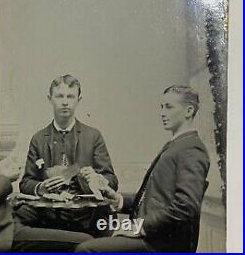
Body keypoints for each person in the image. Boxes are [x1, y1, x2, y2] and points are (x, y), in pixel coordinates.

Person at [75, 85, 210, 252]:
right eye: (161, 107)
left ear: (189, 111)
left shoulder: (191, 149)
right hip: (155, 238)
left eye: (169, 107)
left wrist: (140, 227)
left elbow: (185, 208)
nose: (162, 112)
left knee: (86, 250)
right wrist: (118, 199)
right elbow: (154, 198)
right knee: (96, 236)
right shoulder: (176, 145)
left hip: (162, 244)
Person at [17, 74, 118, 236]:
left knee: (103, 222)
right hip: (48, 216)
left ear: (79, 99)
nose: (65, 102)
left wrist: (98, 180)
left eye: (70, 96)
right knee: (17, 215)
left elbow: (112, 181)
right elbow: (26, 183)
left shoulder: (93, 136)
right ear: (50, 99)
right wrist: (41, 187)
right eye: (59, 96)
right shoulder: (38, 139)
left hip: (86, 215)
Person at [0, 162, 92, 252]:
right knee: (87, 243)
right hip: (4, 231)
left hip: (7, 215)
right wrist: (5, 178)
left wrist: (11, 199)